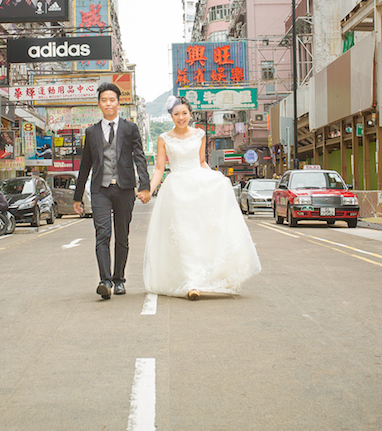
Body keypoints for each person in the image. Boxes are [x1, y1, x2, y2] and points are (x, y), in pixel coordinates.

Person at [143, 96, 261, 300]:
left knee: (198, 233)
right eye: (176, 114)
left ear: (190, 114)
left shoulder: (200, 134)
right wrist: (148, 190)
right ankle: (190, 283)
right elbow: (159, 169)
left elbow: (201, 162)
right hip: (176, 190)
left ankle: (200, 278)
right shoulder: (164, 138)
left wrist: (217, 178)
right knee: (183, 235)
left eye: (184, 113)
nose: (181, 117)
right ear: (171, 116)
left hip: (198, 187)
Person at [73, 82, 151, 300]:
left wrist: (145, 185)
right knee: (102, 233)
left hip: (125, 188)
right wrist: (78, 197)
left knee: (122, 235)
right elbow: (85, 165)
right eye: (104, 100)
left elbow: (139, 157)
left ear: (118, 103)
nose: (108, 104)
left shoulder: (130, 128)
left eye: (112, 100)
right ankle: (105, 281)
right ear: (99, 104)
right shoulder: (91, 132)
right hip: (101, 189)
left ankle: (119, 279)